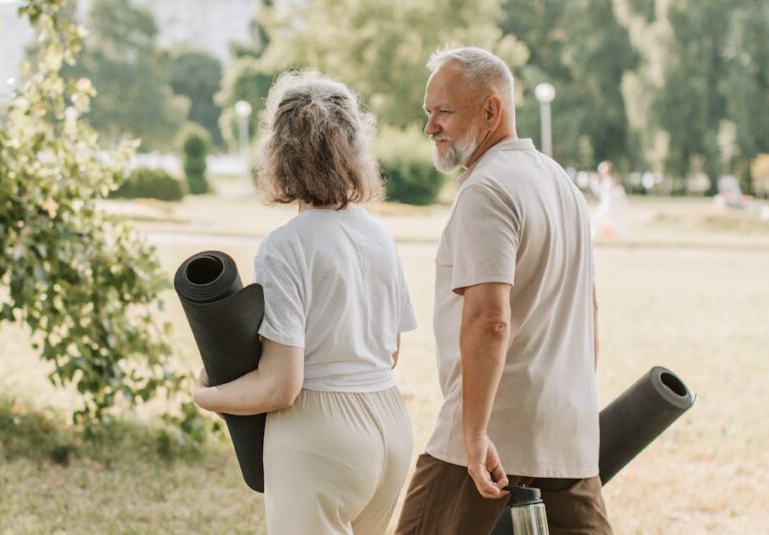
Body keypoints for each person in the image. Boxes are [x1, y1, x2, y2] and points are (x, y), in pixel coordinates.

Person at [395, 47, 611, 534]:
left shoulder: (487, 189)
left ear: (491, 110)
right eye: (428, 113)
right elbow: (589, 310)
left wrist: (473, 434)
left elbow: (489, 320)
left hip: (491, 435)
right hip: (568, 437)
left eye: (443, 112)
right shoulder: (562, 186)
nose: (431, 127)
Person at [192, 71, 417, 535]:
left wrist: (208, 395)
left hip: (321, 436)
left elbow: (281, 385)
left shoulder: (286, 245)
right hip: (391, 430)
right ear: (355, 148)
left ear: (280, 153)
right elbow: (390, 352)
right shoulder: (379, 236)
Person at [590, 160, 631, 244]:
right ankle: (627, 239)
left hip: (608, 206)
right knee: (617, 223)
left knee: (596, 220)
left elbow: (604, 192)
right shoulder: (609, 180)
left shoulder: (610, 180)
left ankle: (592, 238)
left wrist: (594, 184)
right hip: (609, 206)